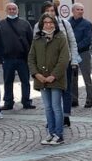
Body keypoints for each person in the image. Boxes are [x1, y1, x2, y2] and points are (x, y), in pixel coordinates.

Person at [35, 2, 80, 127]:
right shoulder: (38, 27)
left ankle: (65, 116)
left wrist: (74, 61)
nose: (50, 13)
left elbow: (72, 42)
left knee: (65, 90)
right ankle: (51, 118)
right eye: (47, 11)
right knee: (49, 91)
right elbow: (35, 46)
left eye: (52, 10)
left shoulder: (65, 24)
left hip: (65, 63)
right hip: (47, 65)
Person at [28, 13, 70, 146]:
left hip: (56, 80)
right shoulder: (37, 39)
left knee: (56, 107)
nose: (48, 25)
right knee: (47, 107)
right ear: (42, 24)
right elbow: (31, 58)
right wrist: (36, 74)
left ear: (55, 24)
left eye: (51, 22)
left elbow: (64, 59)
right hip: (41, 79)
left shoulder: (61, 38)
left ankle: (59, 134)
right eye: (45, 22)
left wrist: (54, 75)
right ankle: (51, 133)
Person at [0, 3, 35, 111]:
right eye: (9, 9)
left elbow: (31, 40)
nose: (12, 11)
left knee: (25, 81)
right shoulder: (1, 24)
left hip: (22, 58)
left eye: (14, 9)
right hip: (8, 58)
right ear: (6, 11)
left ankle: (26, 101)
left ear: (17, 10)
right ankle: (8, 102)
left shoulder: (25, 24)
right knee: (7, 81)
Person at [69, 4, 92, 108]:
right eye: (78, 9)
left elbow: (87, 40)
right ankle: (74, 99)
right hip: (71, 53)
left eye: (82, 10)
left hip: (83, 53)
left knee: (86, 77)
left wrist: (75, 47)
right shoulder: (68, 23)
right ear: (73, 11)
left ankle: (89, 100)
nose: (80, 11)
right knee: (73, 77)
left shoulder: (87, 24)